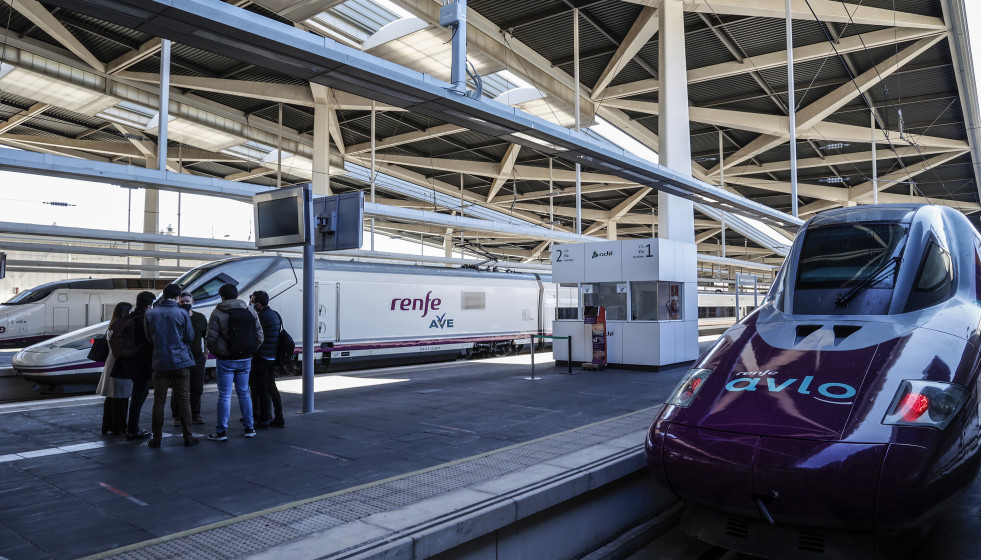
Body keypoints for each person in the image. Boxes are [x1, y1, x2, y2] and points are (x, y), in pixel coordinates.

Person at [205, 283, 262, 441]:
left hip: (226, 360)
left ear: (222, 296)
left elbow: (210, 338)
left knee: (224, 395)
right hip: (245, 359)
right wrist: (249, 351)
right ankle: (249, 428)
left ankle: (221, 432)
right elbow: (259, 336)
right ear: (236, 295)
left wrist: (219, 352)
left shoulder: (217, 313)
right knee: (244, 393)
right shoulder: (249, 310)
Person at [144, 283, 198, 448]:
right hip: (181, 361)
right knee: (184, 399)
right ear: (177, 297)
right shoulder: (182, 313)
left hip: (160, 362)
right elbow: (189, 336)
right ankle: (188, 436)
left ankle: (156, 438)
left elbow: (148, 338)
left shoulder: (150, 314)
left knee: (159, 400)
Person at [115, 291, 155, 441]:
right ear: (148, 305)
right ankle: (132, 429)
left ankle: (132, 427)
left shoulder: (129, 317)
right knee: (139, 394)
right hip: (142, 361)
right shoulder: (144, 319)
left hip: (129, 361)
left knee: (140, 392)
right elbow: (149, 341)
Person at [249, 290, 285, 429]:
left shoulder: (261, 317)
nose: (251, 304)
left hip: (262, 357)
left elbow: (255, 336)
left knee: (263, 389)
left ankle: (264, 419)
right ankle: (279, 417)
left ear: (258, 304)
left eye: (252, 302)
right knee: (271, 387)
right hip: (272, 356)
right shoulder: (275, 314)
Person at [96, 301, 133, 436]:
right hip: (120, 363)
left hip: (111, 362)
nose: (132, 314)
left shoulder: (112, 326)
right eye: (130, 311)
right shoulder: (122, 328)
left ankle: (107, 426)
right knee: (121, 397)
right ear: (125, 313)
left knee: (111, 397)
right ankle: (120, 427)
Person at [171, 292, 207, 426]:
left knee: (197, 387)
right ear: (178, 303)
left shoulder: (200, 318)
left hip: (197, 357)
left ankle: (195, 415)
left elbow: (206, 336)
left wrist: (205, 353)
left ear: (193, 303)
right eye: (182, 302)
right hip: (180, 358)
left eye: (187, 301)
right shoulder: (175, 317)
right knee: (179, 388)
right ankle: (178, 416)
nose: (185, 304)